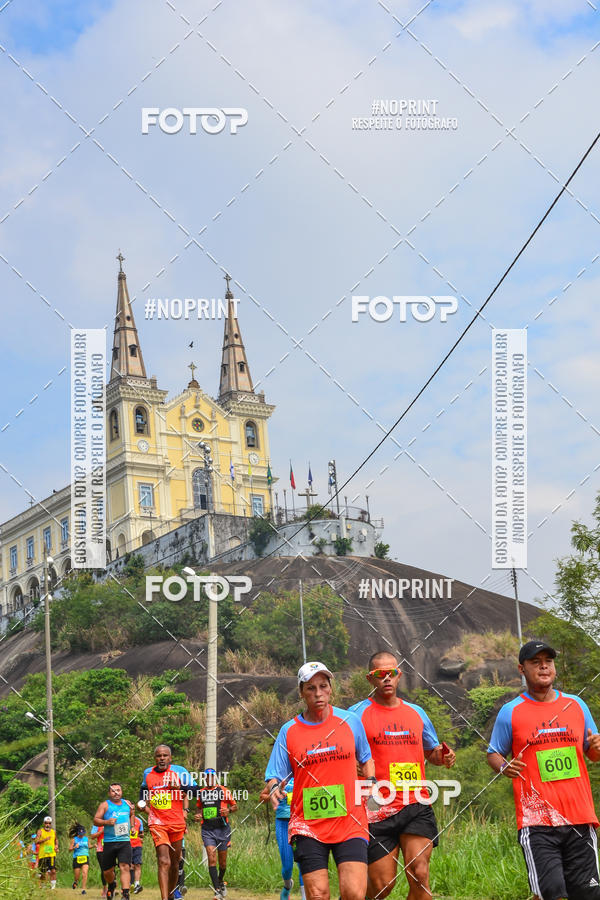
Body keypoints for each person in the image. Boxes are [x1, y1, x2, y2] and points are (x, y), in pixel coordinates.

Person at [487, 640, 600, 900]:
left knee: (588, 894)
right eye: (535, 662)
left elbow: (592, 753)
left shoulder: (576, 705)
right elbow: (493, 753)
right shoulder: (510, 712)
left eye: (548, 662)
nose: (543, 667)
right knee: (550, 893)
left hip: (579, 817)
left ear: (554, 668)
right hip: (536, 821)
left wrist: (596, 747)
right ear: (521, 669)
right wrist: (504, 766)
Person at [349, 651, 456, 900]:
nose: (387, 678)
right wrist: (352, 764)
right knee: (382, 885)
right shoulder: (356, 715)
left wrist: (445, 756)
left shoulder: (417, 713)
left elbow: (432, 753)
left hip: (415, 803)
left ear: (399, 675)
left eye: (392, 673)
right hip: (375, 806)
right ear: (370, 679)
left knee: (420, 874)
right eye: (380, 674)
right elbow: (343, 753)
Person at [265, 661, 375, 900]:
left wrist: (372, 781)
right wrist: (274, 788)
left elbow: (366, 759)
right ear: (302, 692)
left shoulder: (350, 721)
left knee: (355, 893)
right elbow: (274, 774)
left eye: (323, 686)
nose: (318, 693)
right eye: (311, 688)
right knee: (317, 895)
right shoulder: (289, 731)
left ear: (330, 688)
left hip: (350, 821)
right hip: (309, 825)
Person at [139, 743, 198, 900]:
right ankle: (164, 898)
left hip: (177, 822)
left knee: (175, 863)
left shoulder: (180, 772)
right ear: (155, 758)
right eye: (159, 756)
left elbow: (196, 791)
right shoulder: (148, 773)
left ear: (170, 758)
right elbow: (143, 791)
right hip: (157, 822)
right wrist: (143, 804)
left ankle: (171, 895)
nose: (162, 758)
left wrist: (179, 788)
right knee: (163, 861)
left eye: (165, 755)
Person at [194, 767, 237, 899]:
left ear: (215, 778)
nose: (209, 779)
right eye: (207, 777)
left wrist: (229, 810)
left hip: (222, 829)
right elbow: (199, 810)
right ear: (205, 779)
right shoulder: (201, 793)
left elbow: (235, 806)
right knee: (211, 859)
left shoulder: (223, 790)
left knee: (222, 863)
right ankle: (217, 889)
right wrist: (198, 816)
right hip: (207, 830)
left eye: (212, 777)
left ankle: (220, 880)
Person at [93, 782, 135, 900]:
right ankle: (112, 885)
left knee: (125, 866)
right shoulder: (105, 805)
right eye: (113, 791)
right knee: (107, 871)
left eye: (118, 790)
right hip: (109, 842)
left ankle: (125, 894)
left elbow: (132, 814)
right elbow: (95, 820)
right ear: (109, 793)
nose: (116, 793)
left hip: (124, 841)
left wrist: (132, 827)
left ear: (122, 792)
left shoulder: (127, 804)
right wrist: (106, 822)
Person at [267, 775, 305, 900]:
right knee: (287, 866)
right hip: (283, 823)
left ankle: (305, 896)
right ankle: (287, 886)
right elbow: (262, 796)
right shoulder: (279, 776)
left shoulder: (302, 774)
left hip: (300, 821)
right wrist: (277, 795)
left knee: (302, 862)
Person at [35, 815, 58, 888]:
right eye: (46, 823)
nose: (47, 825)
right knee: (43, 872)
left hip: (51, 854)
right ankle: (43, 885)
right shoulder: (40, 831)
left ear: (51, 824)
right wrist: (44, 840)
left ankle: (53, 887)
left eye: (49, 823)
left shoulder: (53, 831)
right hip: (43, 854)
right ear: (43, 823)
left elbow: (56, 840)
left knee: (53, 871)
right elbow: (36, 841)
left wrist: (56, 845)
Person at [69, 823, 90, 894]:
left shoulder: (86, 839)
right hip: (77, 858)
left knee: (85, 873)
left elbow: (89, 846)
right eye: (80, 833)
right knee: (77, 875)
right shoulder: (74, 839)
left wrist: (94, 846)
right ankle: (75, 882)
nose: (82, 835)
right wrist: (74, 847)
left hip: (85, 857)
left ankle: (83, 889)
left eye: (83, 833)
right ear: (78, 833)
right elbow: (69, 849)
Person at [90, 823, 107, 898]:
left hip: (111, 849)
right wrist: (101, 831)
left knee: (112, 869)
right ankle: (104, 889)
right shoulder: (96, 824)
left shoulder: (111, 821)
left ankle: (112, 887)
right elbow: (92, 836)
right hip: (100, 850)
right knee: (103, 870)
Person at [128, 812, 144, 894]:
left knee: (137, 865)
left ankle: (137, 885)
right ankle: (130, 885)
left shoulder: (139, 821)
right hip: (127, 845)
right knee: (130, 866)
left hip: (137, 845)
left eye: (134, 810)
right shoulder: (125, 820)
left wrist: (141, 837)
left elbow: (142, 834)